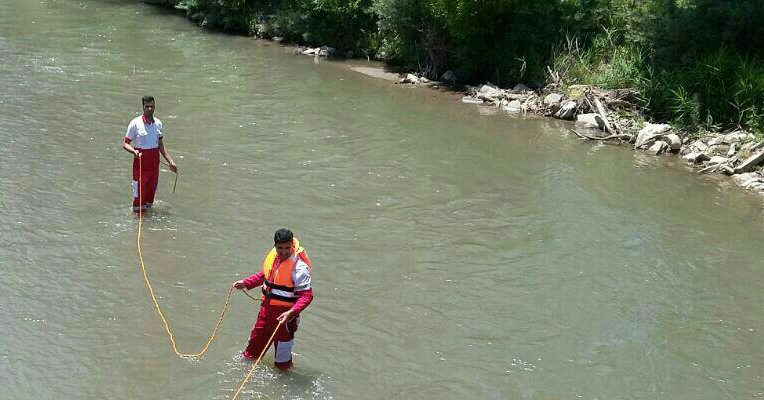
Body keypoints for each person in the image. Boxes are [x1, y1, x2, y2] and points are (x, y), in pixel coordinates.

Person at [233, 228, 314, 370]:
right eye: (280, 248)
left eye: (287, 248)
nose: (283, 252)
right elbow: (265, 276)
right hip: (266, 312)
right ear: (275, 246)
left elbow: (307, 296)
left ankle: (284, 379)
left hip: (286, 317)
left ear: (292, 246)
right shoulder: (274, 259)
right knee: (250, 353)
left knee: (282, 362)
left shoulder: (299, 268)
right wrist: (246, 283)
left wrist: (292, 312)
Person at [122, 95, 177, 213]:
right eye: (147, 106)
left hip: (154, 165)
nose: (150, 109)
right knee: (139, 197)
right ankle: (137, 221)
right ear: (143, 107)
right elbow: (125, 143)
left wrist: (171, 162)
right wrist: (134, 151)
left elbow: (161, 146)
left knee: (150, 196)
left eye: (152, 106)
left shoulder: (158, 124)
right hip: (141, 164)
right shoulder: (135, 124)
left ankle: (148, 222)